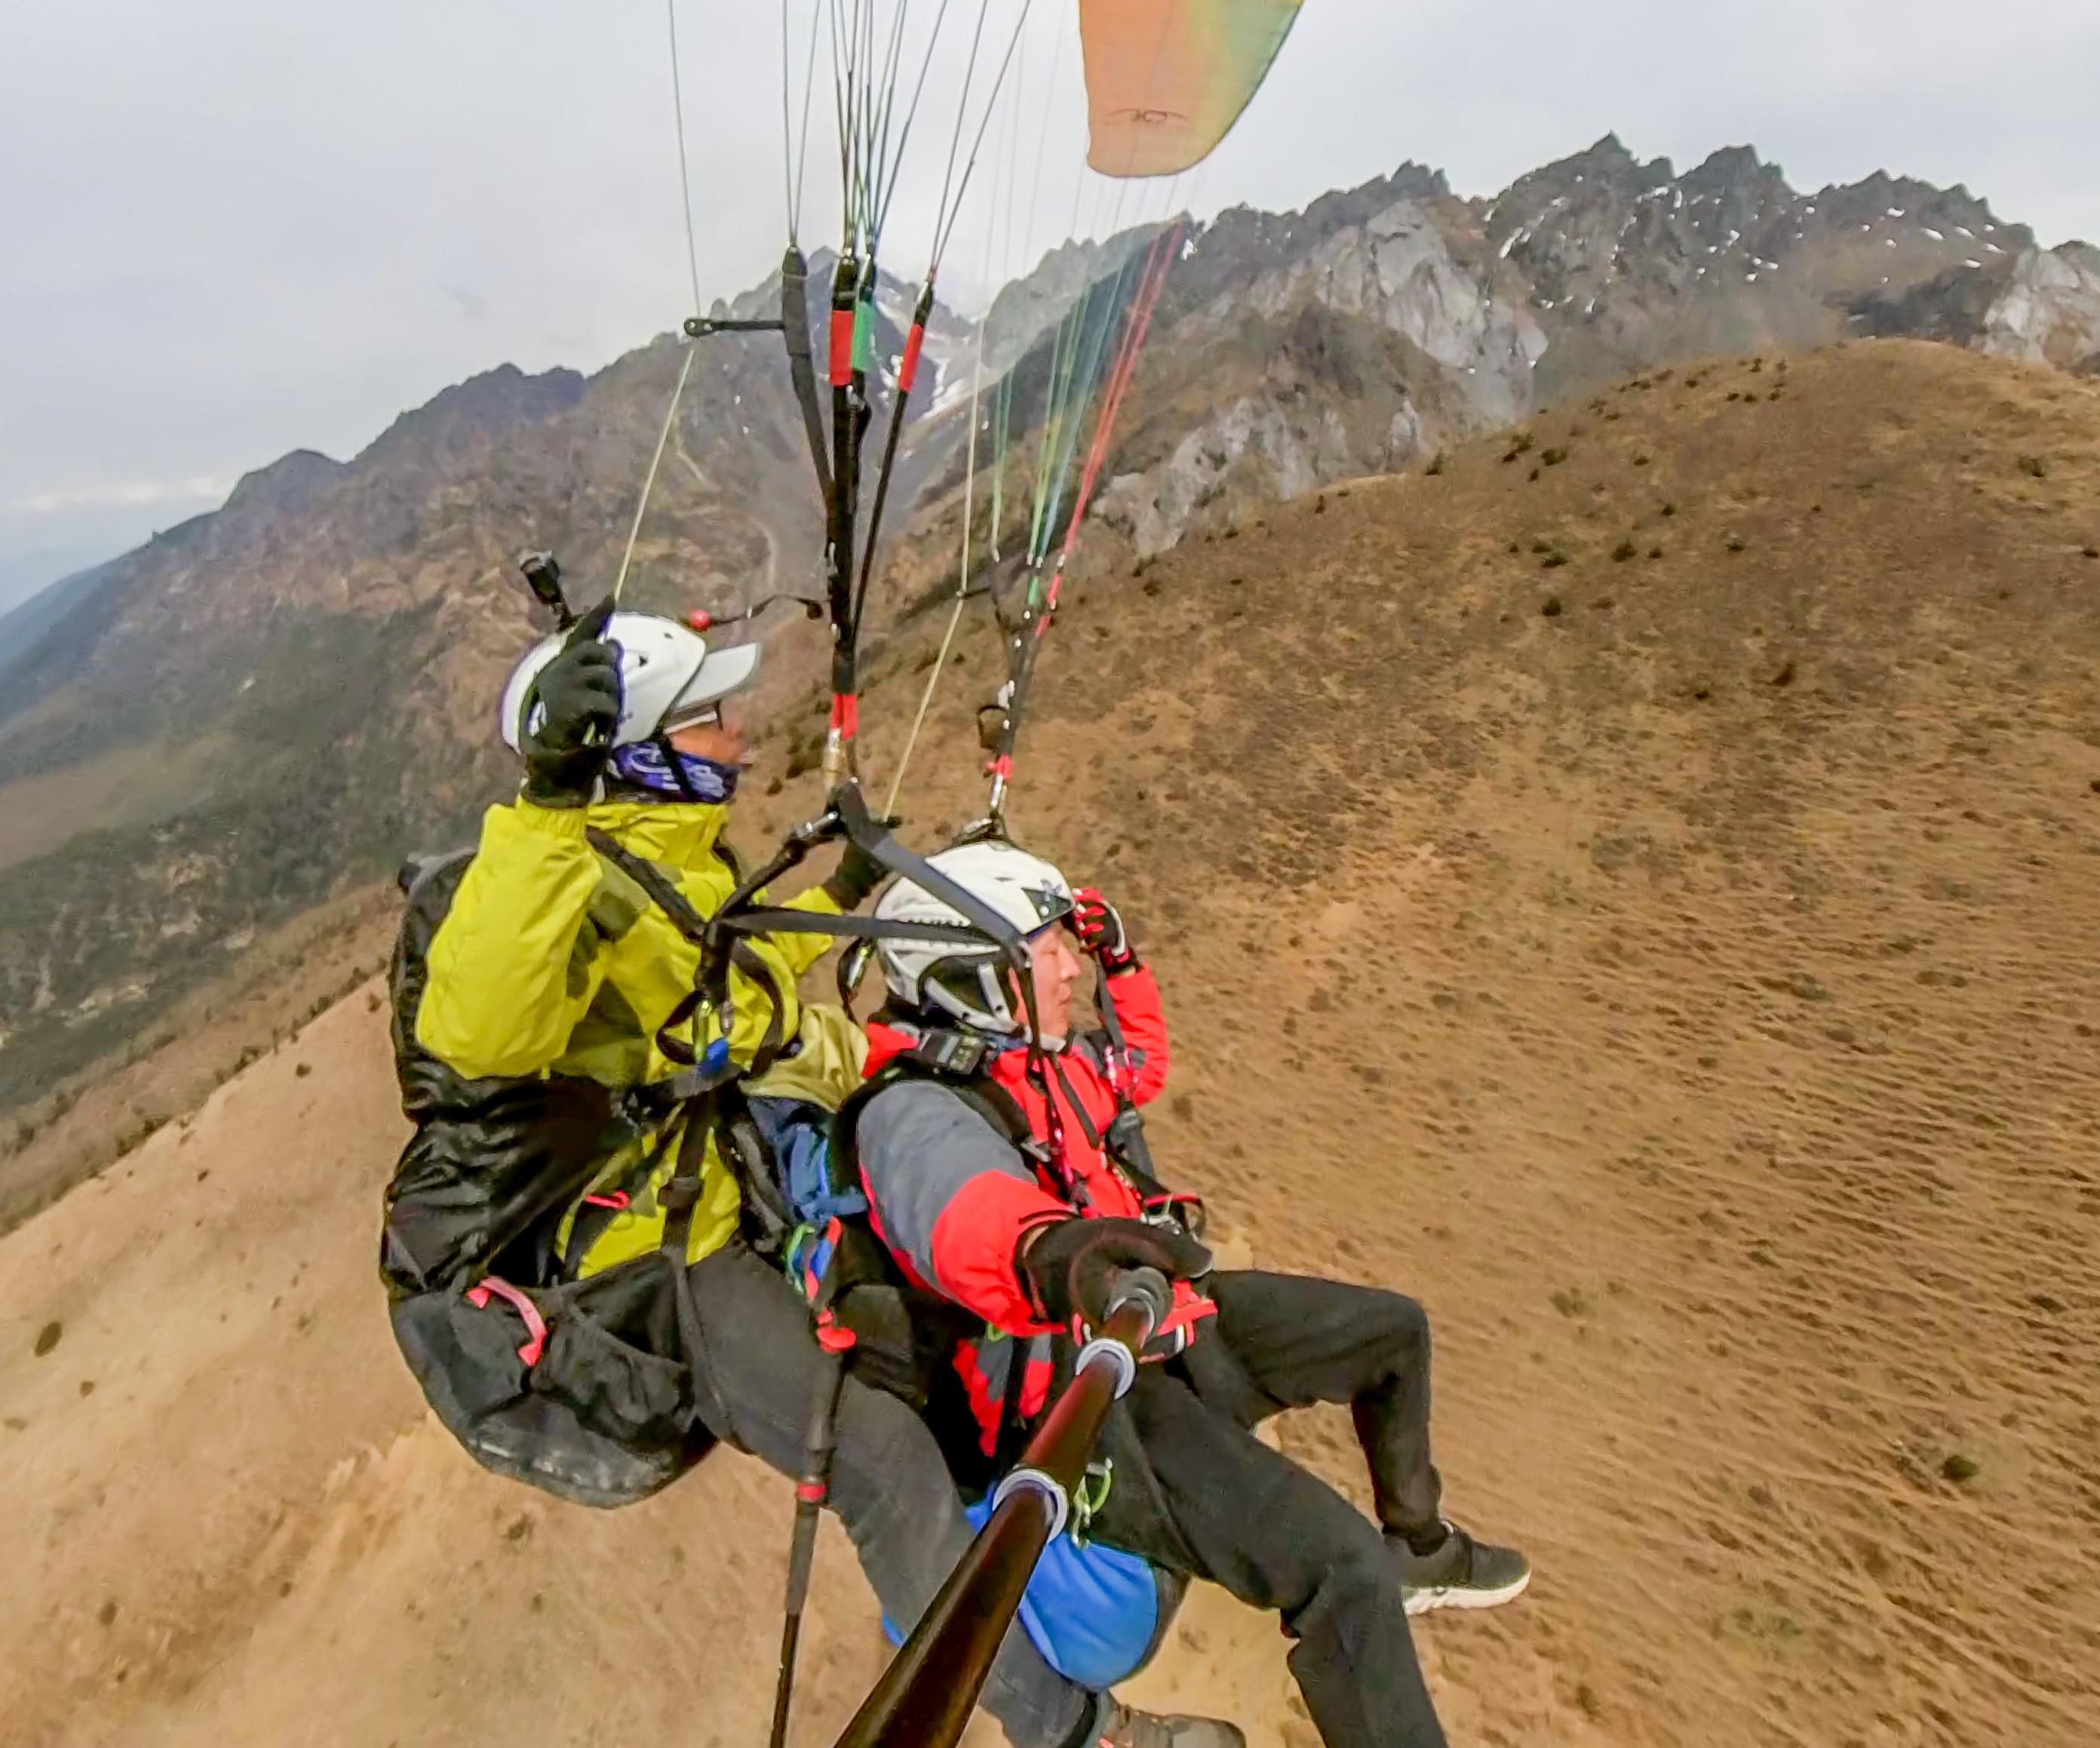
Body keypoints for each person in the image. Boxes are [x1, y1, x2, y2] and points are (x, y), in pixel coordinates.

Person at [413, 604, 1235, 1748]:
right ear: (640, 748)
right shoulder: (565, 885)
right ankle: (1076, 1733)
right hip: (664, 1245)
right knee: (877, 1450)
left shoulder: (670, 862)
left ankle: (1058, 1536)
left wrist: (847, 889)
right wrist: (547, 808)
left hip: (741, 1180)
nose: (741, 730)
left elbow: (732, 969)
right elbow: (482, 1030)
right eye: (710, 718)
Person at [848, 839, 1529, 1748]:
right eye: (1047, 949)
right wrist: (1062, 1258)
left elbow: (1139, 1068)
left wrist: (1125, 964)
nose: (1071, 965)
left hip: (1163, 1319)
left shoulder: (1038, 1064)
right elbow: (971, 1221)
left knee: (1390, 1334)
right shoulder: (913, 1113)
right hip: (1093, 1403)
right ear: (973, 977)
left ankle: (1423, 1545)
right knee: (1340, 1568)